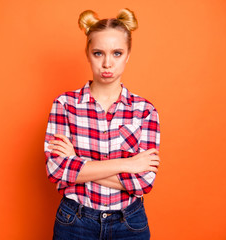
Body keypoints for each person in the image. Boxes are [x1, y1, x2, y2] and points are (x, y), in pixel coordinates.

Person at [44, 8, 161, 240]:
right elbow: (57, 171)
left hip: (129, 224)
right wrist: (128, 164)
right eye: (98, 53)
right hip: (74, 222)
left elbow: (143, 182)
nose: (107, 63)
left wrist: (77, 165)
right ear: (88, 54)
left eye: (117, 53)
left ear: (127, 55)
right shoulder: (65, 105)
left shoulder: (145, 111)